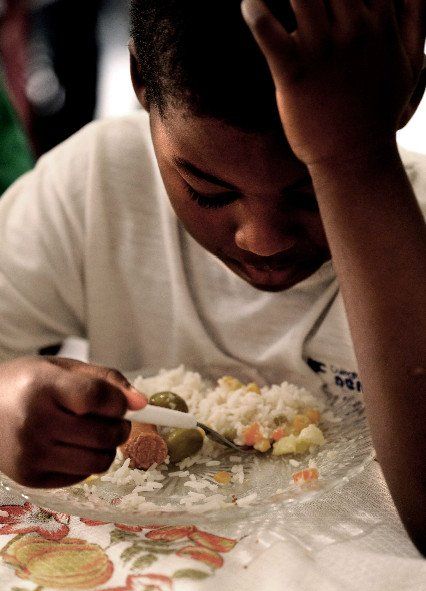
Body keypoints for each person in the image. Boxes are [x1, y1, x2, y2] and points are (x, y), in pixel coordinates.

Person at [0, 0, 424, 553]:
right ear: (141, 82)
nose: (262, 240)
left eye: (312, 192)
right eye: (209, 191)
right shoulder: (95, 185)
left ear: (407, 95)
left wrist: (358, 161)